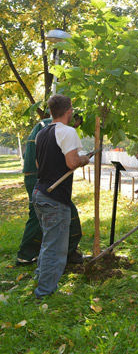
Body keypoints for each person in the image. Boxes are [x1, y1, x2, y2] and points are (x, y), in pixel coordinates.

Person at [31, 94, 90, 298]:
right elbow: (72, 162)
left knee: (48, 242)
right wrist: (84, 159)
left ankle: (41, 278)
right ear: (69, 111)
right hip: (54, 197)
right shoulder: (68, 131)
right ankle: (45, 293)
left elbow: (38, 165)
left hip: (40, 192)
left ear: (50, 112)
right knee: (55, 247)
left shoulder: (42, 133)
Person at [16, 113, 84, 267]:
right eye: (76, 123)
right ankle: (37, 256)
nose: (75, 127)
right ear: (71, 116)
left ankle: (33, 255)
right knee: (59, 214)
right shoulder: (53, 128)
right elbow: (68, 160)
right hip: (41, 179)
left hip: (36, 176)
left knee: (40, 214)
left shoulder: (43, 127)